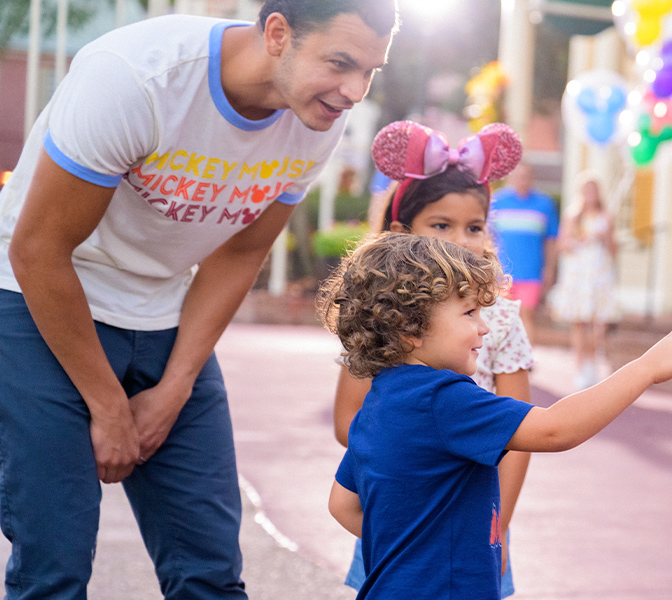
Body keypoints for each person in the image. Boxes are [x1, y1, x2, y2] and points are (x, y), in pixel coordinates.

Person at [0, 1, 396, 597]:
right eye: (341, 62)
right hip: (41, 302)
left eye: (371, 71)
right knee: (54, 566)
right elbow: (38, 250)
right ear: (277, 33)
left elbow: (239, 253)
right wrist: (108, 406)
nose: (353, 91)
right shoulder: (138, 79)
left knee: (208, 571)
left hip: (163, 310)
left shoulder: (314, 114)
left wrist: (177, 385)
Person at [322, 232, 672, 599]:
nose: (483, 326)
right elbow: (556, 429)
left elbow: (342, 503)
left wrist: (416, 550)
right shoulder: (444, 399)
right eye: (469, 312)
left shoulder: (379, 400)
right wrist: (646, 368)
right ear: (410, 329)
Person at [333, 120, 533, 597]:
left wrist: (496, 526)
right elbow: (349, 422)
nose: (461, 240)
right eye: (441, 225)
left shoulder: (500, 318)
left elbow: (523, 434)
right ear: (402, 232)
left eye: (475, 227)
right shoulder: (386, 317)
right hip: (403, 510)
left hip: (474, 521)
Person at [548, 173, 621, 389]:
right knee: (579, 322)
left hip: (598, 274)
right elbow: (562, 245)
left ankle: (592, 360)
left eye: (594, 190)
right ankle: (581, 366)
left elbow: (613, 250)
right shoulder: (573, 216)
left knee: (599, 322)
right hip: (579, 274)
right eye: (587, 190)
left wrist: (604, 236)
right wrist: (580, 240)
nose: (591, 194)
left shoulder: (606, 217)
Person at [488, 163, 560, 339]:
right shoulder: (497, 201)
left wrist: (550, 270)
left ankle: (525, 362)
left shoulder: (544, 204)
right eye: (518, 176)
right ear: (511, 178)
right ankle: (502, 362)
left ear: (531, 178)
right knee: (501, 317)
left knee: (526, 315)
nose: (522, 180)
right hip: (501, 272)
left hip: (531, 272)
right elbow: (487, 237)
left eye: (526, 176)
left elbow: (551, 242)